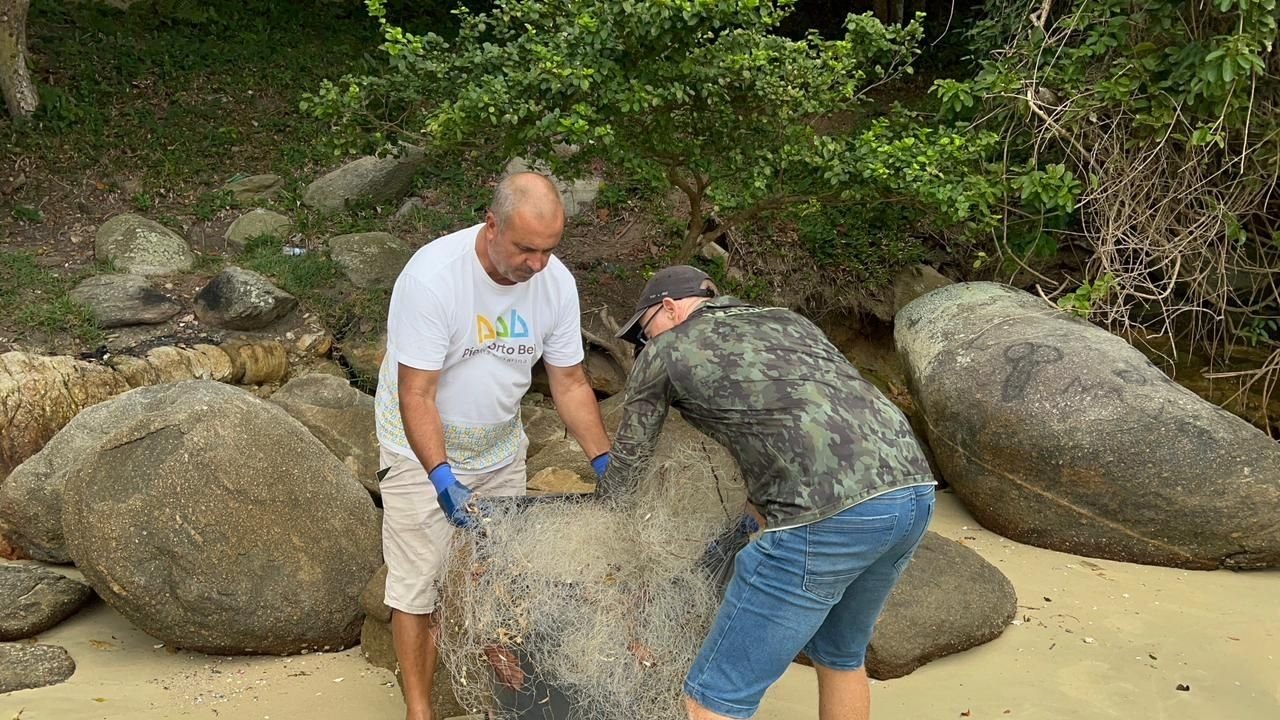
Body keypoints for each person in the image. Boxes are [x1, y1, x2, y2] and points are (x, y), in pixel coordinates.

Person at [600, 265, 936, 720]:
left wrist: (601, 524)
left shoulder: (666, 351)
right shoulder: (788, 321)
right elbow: (798, 417)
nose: (643, 344)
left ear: (668, 309)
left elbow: (629, 463)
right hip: (912, 489)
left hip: (827, 517)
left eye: (643, 333)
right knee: (840, 656)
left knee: (712, 699)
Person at [374, 172, 612, 720]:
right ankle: (419, 709)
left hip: (500, 447)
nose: (536, 264)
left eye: (548, 250)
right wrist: (441, 479)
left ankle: (500, 701)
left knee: (498, 579)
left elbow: (571, 382)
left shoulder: (556, 284)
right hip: (420, 447)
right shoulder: (434, 277)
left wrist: (603, 460)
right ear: (491, 226)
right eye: (525, 248)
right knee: (419, 586)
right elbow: (417, 394)